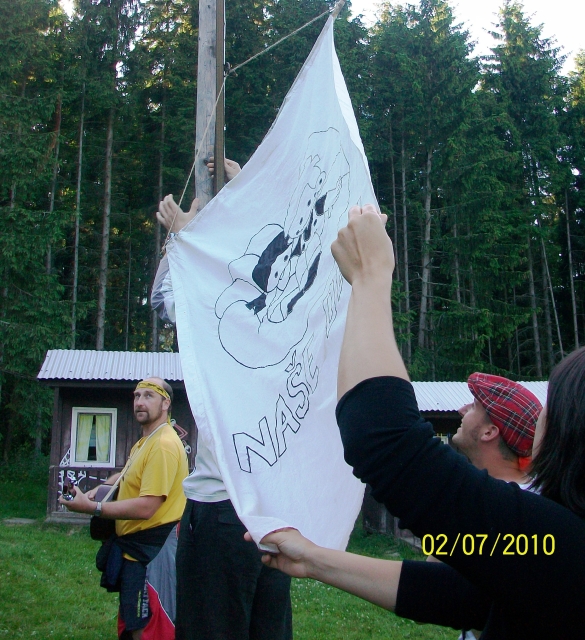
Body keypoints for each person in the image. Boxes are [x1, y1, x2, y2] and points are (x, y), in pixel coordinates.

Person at [251, 204, 585, 639]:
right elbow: (458, 594)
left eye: (553, 406)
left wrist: (371, 275)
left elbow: (385, 441)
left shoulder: (564, 547)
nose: (542, 417)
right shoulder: (555, 552)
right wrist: (313, 560)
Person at [153, 158, 293, 640]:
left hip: (221, 509)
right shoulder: (289, 325)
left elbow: (164, 299)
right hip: (272, 510)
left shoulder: (224, 321)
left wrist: (185, 237)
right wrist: (247, 196)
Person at [59, 377, 189, 640]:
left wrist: (94, 507)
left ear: (166, 403)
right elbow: (131, 473)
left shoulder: (163, 445)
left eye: (149, 396)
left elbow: (147, 507)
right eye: (137, 396)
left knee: (149, 629)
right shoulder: (146, 441)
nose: (140, 402)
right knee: (132, 623)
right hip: (135, 550)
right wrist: (105, 487)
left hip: (153, 551)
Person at [453, 373, 541, 486]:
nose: (461, 410)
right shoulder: (538, 494)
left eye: (473, 406)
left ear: (489, 432)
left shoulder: (490, 496)